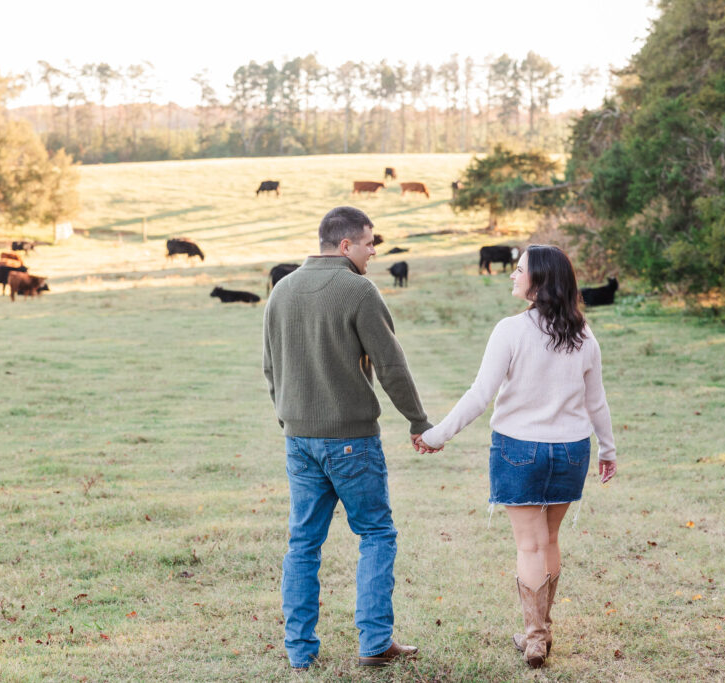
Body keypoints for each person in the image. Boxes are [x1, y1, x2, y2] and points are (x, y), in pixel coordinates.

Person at [414, 244, 617, 669]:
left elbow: (480, 396)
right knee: (551, 540)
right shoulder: (583, 334)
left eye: (519, 269)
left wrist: (437, 435)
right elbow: (597, 402)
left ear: (538, 281)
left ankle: (534, 638)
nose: (512, 274)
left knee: (530, 545)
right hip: (571, 450)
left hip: (518, 449)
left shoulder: (510, 330)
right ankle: (539, 633)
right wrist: (608, 449)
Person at [262, 206, 440, 670]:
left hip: (298, 439)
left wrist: (288, 420)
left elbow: (270, 368)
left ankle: (299, 652)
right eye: (369, 243)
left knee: (303, 544)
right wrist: (418, 420)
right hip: (351, 442)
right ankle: (375, 643)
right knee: (376, 534)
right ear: (345, 246)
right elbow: (392, 367)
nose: (374, 251)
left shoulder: (281, 290)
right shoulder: (358, 290)